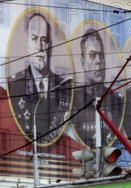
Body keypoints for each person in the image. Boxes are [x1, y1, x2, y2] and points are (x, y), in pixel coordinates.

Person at [8, 12, 72, 144]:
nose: (39, 47)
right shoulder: (13, 86)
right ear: (27, 44)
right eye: (34, 39)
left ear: (51, 46)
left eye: (44, 40)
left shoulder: (66, 87)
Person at [72, 28, 123, 147]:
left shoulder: (117, 101)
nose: (99, 61)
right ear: (82, 61)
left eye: (101, 55)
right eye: (92, 55)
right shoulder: (74, 102)